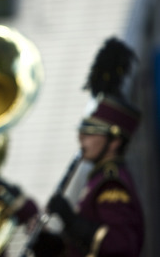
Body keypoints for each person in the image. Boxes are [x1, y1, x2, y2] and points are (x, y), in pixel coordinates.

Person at [32, 37, 144, 257]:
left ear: (115, 141)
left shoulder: (112, 184)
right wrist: (46, 243)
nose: (82, 138)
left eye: (92, 132)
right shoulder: (98, 179)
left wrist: (70, 220)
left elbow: (122, 246)